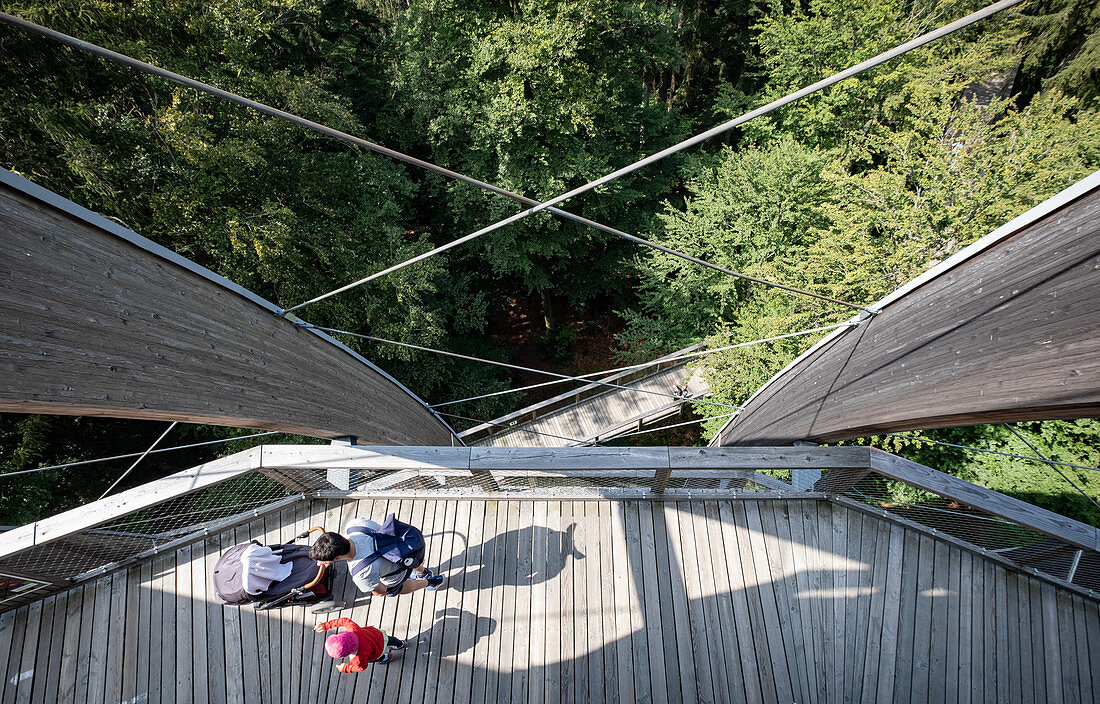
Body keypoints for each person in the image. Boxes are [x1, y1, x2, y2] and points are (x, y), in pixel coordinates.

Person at [308, 516, 444, 596]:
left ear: (337, 559)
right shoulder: (355, 525)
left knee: (395, 588)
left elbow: (381, 591)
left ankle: (431, 582)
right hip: (406, 550)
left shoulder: (360, 574)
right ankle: (424, 572)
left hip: (398, 573)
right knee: (408, 561)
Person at [315, 617, 406, 671]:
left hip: (377, 652)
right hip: (379, 636)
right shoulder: (353, 629)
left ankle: (386, 658)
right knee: (391, 640)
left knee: (375, 658)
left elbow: (361, 667)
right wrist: (326, 625)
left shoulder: (357, 658)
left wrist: (345, 668)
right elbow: (343, 621)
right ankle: (401, 644)